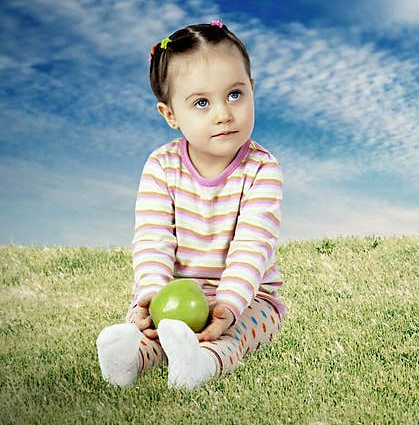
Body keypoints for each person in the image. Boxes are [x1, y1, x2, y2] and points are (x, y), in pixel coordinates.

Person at [96, 20, 286, 390]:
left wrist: (227, 306)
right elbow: (153, 238)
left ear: (252, 90)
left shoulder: (263, 169)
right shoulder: (161, 166)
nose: (223, 113)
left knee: (234, 335)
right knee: (151, 332)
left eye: (235, 94)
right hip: (174, 291)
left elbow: (252, 246)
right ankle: (129, 358)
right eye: (202, 102)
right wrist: (151, 294)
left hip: (248, 296)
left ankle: (200, 364)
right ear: (170, 115)